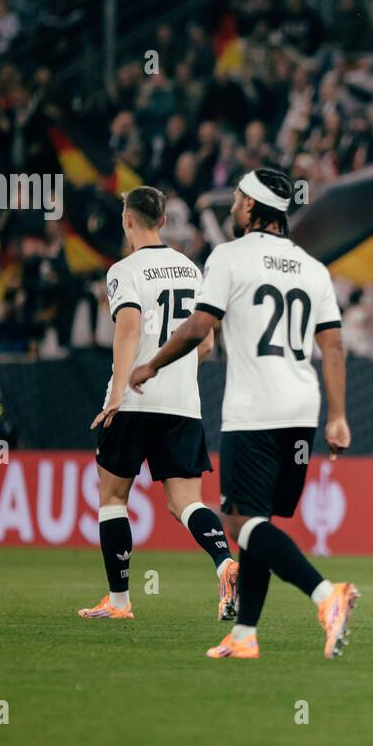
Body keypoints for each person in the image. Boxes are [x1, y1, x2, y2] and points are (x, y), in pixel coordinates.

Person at [129, 169, 357, 660]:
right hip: (302, 407)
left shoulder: (229, 257)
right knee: (258, 522)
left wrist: (150, 363)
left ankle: (326, 596)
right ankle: (244, 634)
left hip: (254, 409)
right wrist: (338, 417)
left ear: (254, 208)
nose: (231, 208)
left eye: (236, 200)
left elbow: (197, 328)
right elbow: (333, 345)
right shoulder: (312, 268)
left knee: (238, 523)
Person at [80, 186, 237, 622]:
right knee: (185, 501)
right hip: (182, 403)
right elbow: (206, 345)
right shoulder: (191, 270)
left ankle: (119, 602)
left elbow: (128, 328)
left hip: (131, 400)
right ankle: (225, 564)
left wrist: (116, 395)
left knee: (113, 497)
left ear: (128, 220)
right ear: (164, 221)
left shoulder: (123, 270)